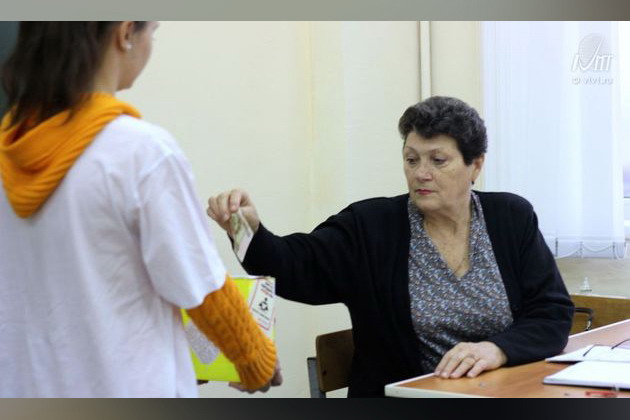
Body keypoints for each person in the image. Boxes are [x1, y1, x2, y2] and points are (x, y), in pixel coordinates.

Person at [207, 96, 574, 397]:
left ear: (475, 165)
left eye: (438, 160)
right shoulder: (370, 226)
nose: (421, 173)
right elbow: (292, 266)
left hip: (503, 394)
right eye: (411, 159)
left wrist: (497, 349)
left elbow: (552, 313)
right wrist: (246, 229)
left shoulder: (510, 217)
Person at [0, 21, 281, 397]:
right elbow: (204, 288)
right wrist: (255, 361)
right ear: (126, 32)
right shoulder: (142, 153)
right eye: (152, 31)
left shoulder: (7, 158)